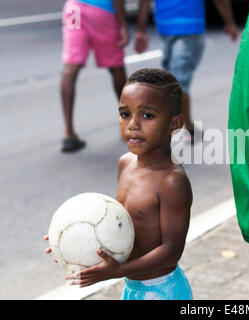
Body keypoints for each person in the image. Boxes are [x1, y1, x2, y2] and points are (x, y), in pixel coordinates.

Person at [45, 68, 193, 300]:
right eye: (125, 114)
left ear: (174, 123)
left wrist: (117, 271)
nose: (133, 124)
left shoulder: (172, 181)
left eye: (147, 116)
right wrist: (72, 236)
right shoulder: (125, 164)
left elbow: (171, 251)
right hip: (133, 287)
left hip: (163, 290)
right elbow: (118, 224)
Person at [133, 0, 239, 143]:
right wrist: (230, 22)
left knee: (175, 82)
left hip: (176, 28)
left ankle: (173, 129)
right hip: (179, 29)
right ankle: (184, 128)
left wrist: (141, 30)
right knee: (175, 83)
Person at [60, 0, 129, 152]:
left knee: (70, 67)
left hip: (75, 9)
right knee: (116, 67)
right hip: (101, 12)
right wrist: (123, 25)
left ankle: (69, 134)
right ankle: (129, 125)